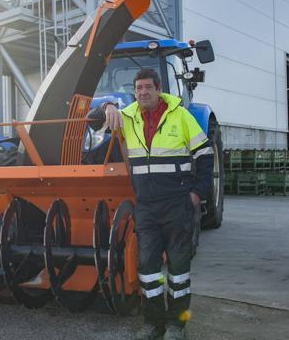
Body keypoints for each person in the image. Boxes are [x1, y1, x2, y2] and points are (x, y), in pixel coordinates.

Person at [88, 68, 214, 340]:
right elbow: (94, 122)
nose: (143, 92)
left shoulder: (180, 116)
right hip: (145, 206)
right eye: (138, 88)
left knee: (179, 272)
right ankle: (153, 324)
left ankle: (178, 324)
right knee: (148, 269)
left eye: (148, 87)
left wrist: (197, 193)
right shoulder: (128, 116)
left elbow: (205, 154)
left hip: (177, 204)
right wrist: (107, 106)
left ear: (158, 89)